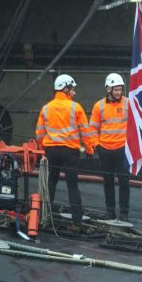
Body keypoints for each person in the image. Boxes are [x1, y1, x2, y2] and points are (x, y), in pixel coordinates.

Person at [35, 74, 94, 227]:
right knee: (72, 185)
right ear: (66, 89)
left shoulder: (46, 108)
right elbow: (85, 132)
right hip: (70, 152)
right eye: (72, 89)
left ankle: (44, 217)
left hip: (51, 151)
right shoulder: (76, 107)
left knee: (51, 183)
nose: (74, 93)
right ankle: (77, 222)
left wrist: (42, 147)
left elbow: (39, 132)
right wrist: (89, 149)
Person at [89, 72, 130, 220]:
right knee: (108, 182)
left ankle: (124, 213)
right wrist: (96, 145)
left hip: (122, 149)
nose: (119, 92)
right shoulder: (98, 106)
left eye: (120, 89)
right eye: (116, 89)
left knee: (124, 182)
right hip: (105, 150)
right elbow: (92, 128)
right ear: (108, 89)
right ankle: (110, 212)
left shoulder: (128, 103)